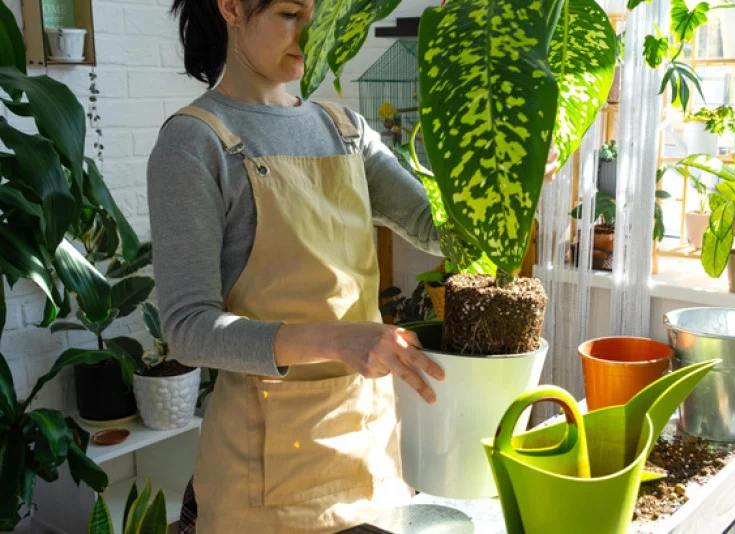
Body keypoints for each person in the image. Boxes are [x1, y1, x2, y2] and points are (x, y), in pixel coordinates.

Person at [148, 0, 559, 531]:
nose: (311, 32)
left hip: (369, 448)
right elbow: (187, 330)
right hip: (263, 472)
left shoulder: (343, 129)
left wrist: (515, 175)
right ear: (231, 7)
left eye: (319, 14)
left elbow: (444, 235)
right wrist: (337, 340)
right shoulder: (197, 142)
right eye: (290, 14)